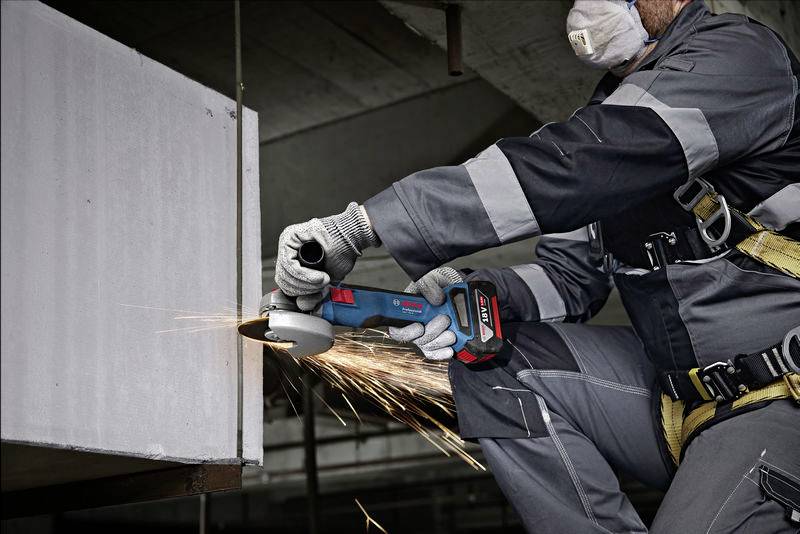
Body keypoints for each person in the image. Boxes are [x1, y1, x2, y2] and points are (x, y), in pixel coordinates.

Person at [275, 0, 800, 531]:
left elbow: (577, 165)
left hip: (783, 393)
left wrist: (365, 226)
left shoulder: (738, 55)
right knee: (493, 363)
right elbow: (570, 281)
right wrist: (473, 292)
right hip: (679, 396)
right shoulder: (612, 116)